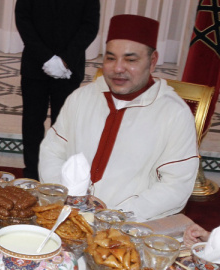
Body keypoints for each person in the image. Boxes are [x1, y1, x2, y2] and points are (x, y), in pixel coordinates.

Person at [38, 14, 199, 221]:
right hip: (68, 216)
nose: (118, 68)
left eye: (131, 60)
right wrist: (65, 197)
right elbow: (52, 151)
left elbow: (175, 186)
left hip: (130, 228)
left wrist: (116, 216)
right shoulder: (82, 98)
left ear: (152, 62)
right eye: (111, 58)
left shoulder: (174, 114)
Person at [15, 0, 100, 180]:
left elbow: (90, 25)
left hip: (68, 69)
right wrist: (45, 58)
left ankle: (58, 176)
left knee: (63, 125)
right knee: (32, 123)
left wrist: (65, 60)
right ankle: (32, 173)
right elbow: (23, 19)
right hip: (34, 65)